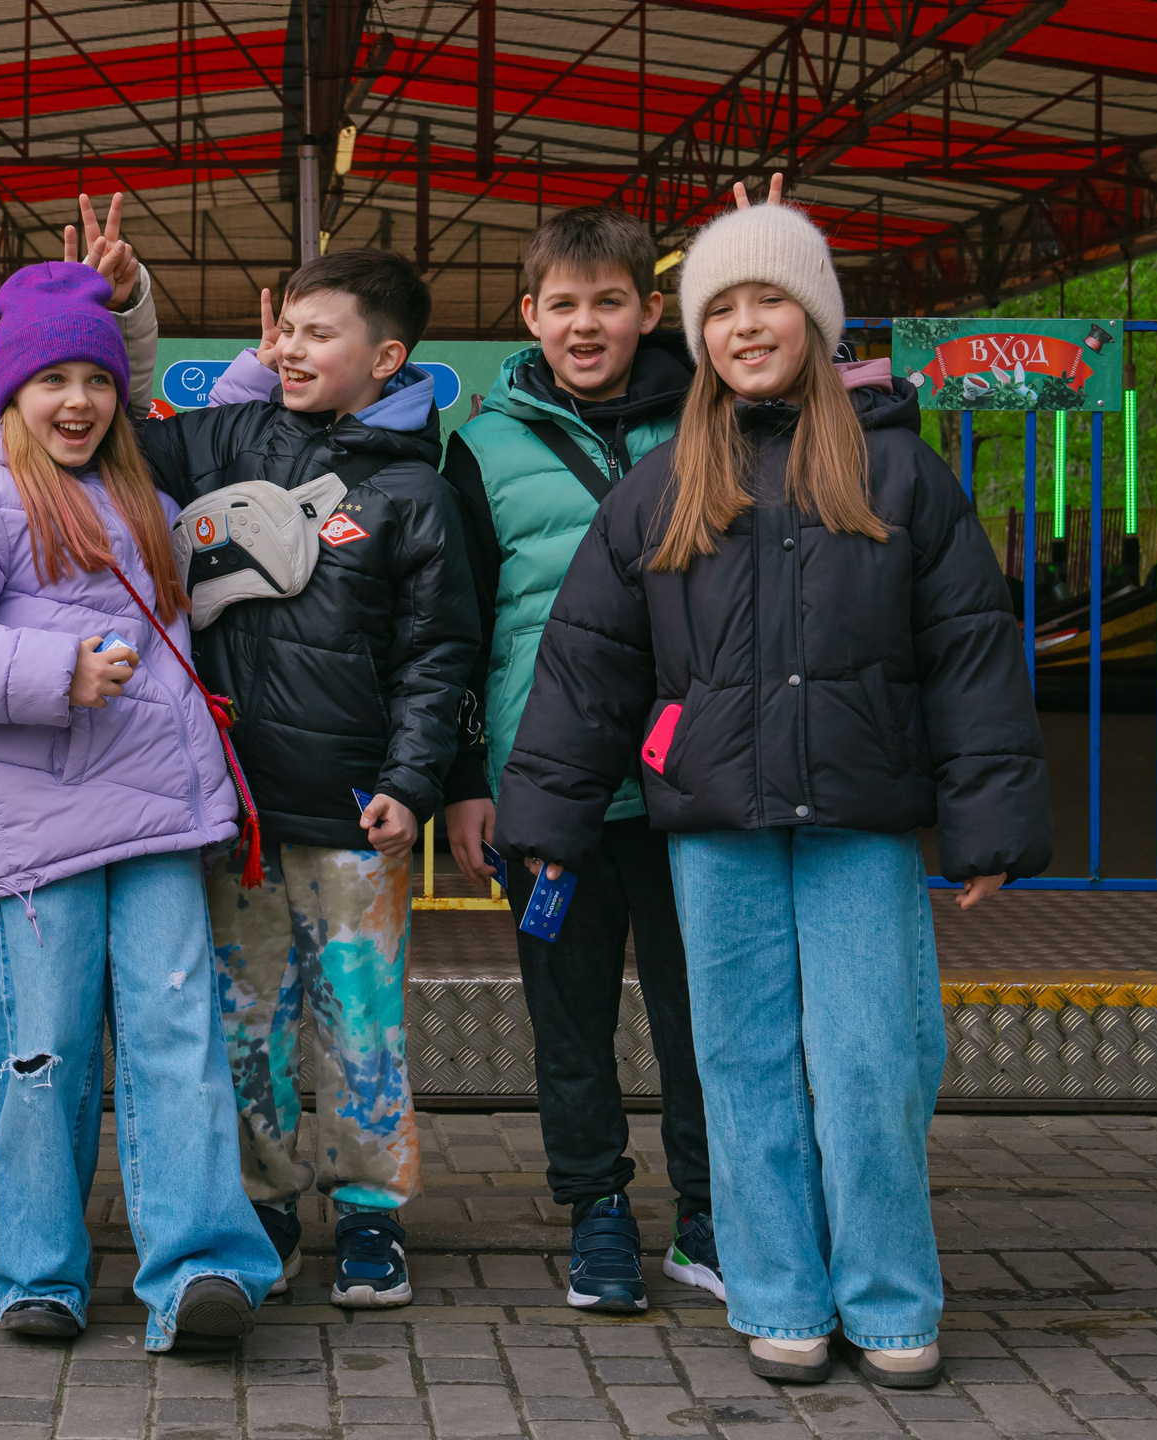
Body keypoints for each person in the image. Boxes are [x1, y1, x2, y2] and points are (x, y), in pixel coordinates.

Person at [497, 200, 1051, 1389]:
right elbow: (587, 663)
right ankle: (779, 1293)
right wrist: (546, 820)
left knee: (871, 1061)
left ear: (816, 316)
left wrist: (986, 820)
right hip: (715, 829)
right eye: (723, 307)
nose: (749, 325)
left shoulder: (900, 469)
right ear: (695, 333)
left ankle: (892, 1303)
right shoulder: (659, 486)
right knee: (739, 1062)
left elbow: (969, 651)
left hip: (858, 824)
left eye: (771, 300)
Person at [0, 258, 280, 1349]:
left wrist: (256, 358)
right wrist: (55, 670)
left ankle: (199, 1267)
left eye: (94, 381)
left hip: (155, 818)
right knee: (43, 1051)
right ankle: (39, 1273)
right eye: (51, 380)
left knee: (175, 1039)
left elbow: (218, 426)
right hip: (40, 833)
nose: (77, 401)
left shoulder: (134, 487)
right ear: (10, 392)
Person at [131, 243, 477, 1310]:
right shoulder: (230, 434)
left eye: (317, 334)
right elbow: (108, 436)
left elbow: (439, 654)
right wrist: (118, 308)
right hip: (233, 805)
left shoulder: (417, 487)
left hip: (356, 811)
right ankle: (268, 1204)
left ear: (387, 358)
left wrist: (412, 784)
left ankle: (372, 1216)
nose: (288, 348)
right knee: (248, 1026)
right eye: (283, 330)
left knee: (361, 1022)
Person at [436, 204, 718, 1312]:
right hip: (546, 785)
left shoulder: (713, 417)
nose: (586, 325)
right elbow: (455, 626)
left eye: (610, 302)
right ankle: (596, 1209)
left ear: (652, 311)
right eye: (564, 306)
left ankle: (709, 1213)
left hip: (698, 780)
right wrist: (467, 781)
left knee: (707, 1012)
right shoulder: (481, 449)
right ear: (530, 316)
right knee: (570, 1015)